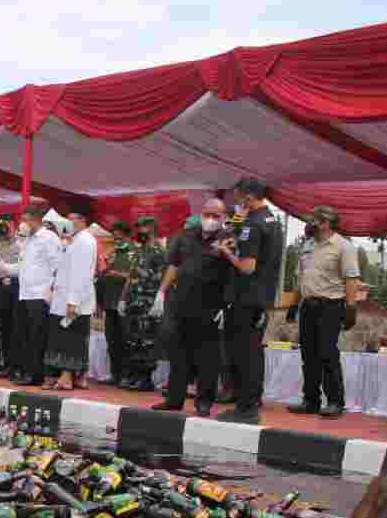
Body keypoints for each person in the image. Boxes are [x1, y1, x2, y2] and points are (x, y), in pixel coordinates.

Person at [152, 199, 234, 416]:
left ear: (224, 217)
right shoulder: (186, 236)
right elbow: (174, 264)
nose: (210, 219)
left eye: (216, 216)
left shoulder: (228, 239)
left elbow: (235, 275)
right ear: (201, 213)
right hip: (182, 301)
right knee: (178, 353)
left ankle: (204, 402)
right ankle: (174, 399)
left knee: (208, 357)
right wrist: (161, 292)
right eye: (207, 214)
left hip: (211, 305)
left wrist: (227, 305)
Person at [217, 177, 284, 424]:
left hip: (245, 297)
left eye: (238, 197)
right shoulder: (271, 221)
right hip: (261, 297)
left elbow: (247, 267)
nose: (236, 202)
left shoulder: (253, 225)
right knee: (254, 352)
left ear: (248, 196)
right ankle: (251, 401)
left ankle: (245, 408)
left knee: (242, 352)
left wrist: (227, 252)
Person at [284, 205, 361, 418]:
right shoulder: (308, 245)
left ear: (326, 223)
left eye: (314, 220)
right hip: (308, 306)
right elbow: (302, 278)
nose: (310, 224)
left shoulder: (343, 247)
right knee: (308, 355)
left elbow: (351, 279)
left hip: (331, 306)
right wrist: (293, 304)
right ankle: (310, 400)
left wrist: (351, 308)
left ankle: (336, 402)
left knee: (327, 354)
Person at [43, 213, 97, 390]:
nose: (68, 222)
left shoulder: (85, 241)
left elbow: (81, 273)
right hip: (62, 297)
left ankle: (68, 377)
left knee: (71, 339)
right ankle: (74, 377)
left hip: (74, 299)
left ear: (82, 220)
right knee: (63, 338)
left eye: (72, 218)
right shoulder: (74, 239)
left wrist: (73, 301)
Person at [12, 205, 62, 386]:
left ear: (36, 220)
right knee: (24, 335)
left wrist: (51, 290)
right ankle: (27, 371)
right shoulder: (28, 240)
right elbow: (23, 265)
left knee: (38, 336)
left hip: (40, 294)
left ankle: (37, 374)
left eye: (26, 220)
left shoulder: (49, 238)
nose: (23, 224)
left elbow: (57, 265)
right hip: (24, 293)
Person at [118, 217, 166, 391]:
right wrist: (123, 298)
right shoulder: (141, 250)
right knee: (133, 339)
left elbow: (162, 278)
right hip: (133, 301)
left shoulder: (159, 251)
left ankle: (145, 378)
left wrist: (159, 300)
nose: (139, 232)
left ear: (152, 229)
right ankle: (134, 375)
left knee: (147, 341)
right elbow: (131, 276)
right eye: (138, 228)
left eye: (142, 229)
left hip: (148, 301)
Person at [98, 220, 134, 386]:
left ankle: (127, 375)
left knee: (125, 339)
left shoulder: (133, 252)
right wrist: (105, 265)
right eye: (114, 235)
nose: (115, 238)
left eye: (118, 235)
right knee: (111, 340)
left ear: (126, 234)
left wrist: (117, 273)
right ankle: (115, 374)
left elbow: (134, 276)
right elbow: (102, 273)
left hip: (125, 301)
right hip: (109, 300)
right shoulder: (113, 251)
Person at [0, 221, 25, 379]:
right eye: (1, 226)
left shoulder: (21, 243)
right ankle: (7, 364)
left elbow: (22, 267)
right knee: (4, 327)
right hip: (1, 287)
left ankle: (17, 366)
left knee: (16, 327)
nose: (3, 229)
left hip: (16, 287)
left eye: (6, 226)